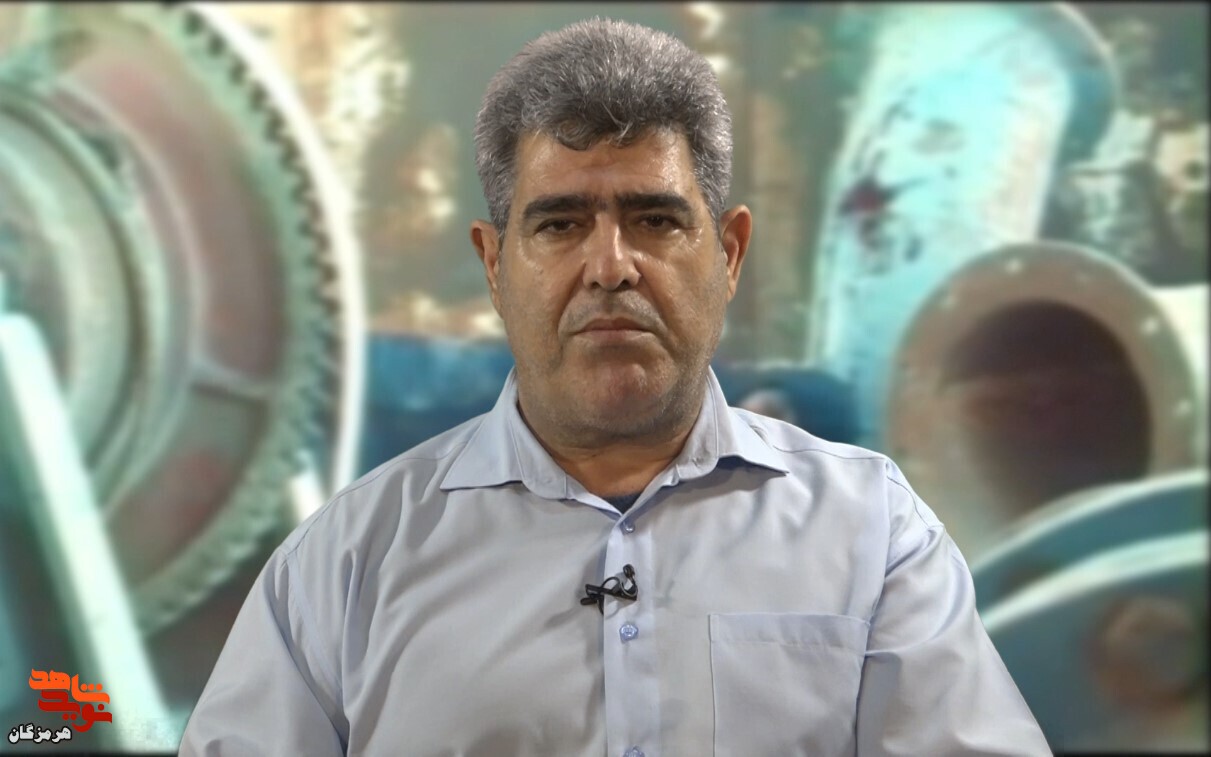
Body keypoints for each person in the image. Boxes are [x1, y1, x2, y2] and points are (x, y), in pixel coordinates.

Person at [179, 17, 1050, 757]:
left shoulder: (870, 530)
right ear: (493, 263)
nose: (609, 266)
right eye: (559, 224)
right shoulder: (348, 560)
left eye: (655, 220)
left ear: (729, 253)